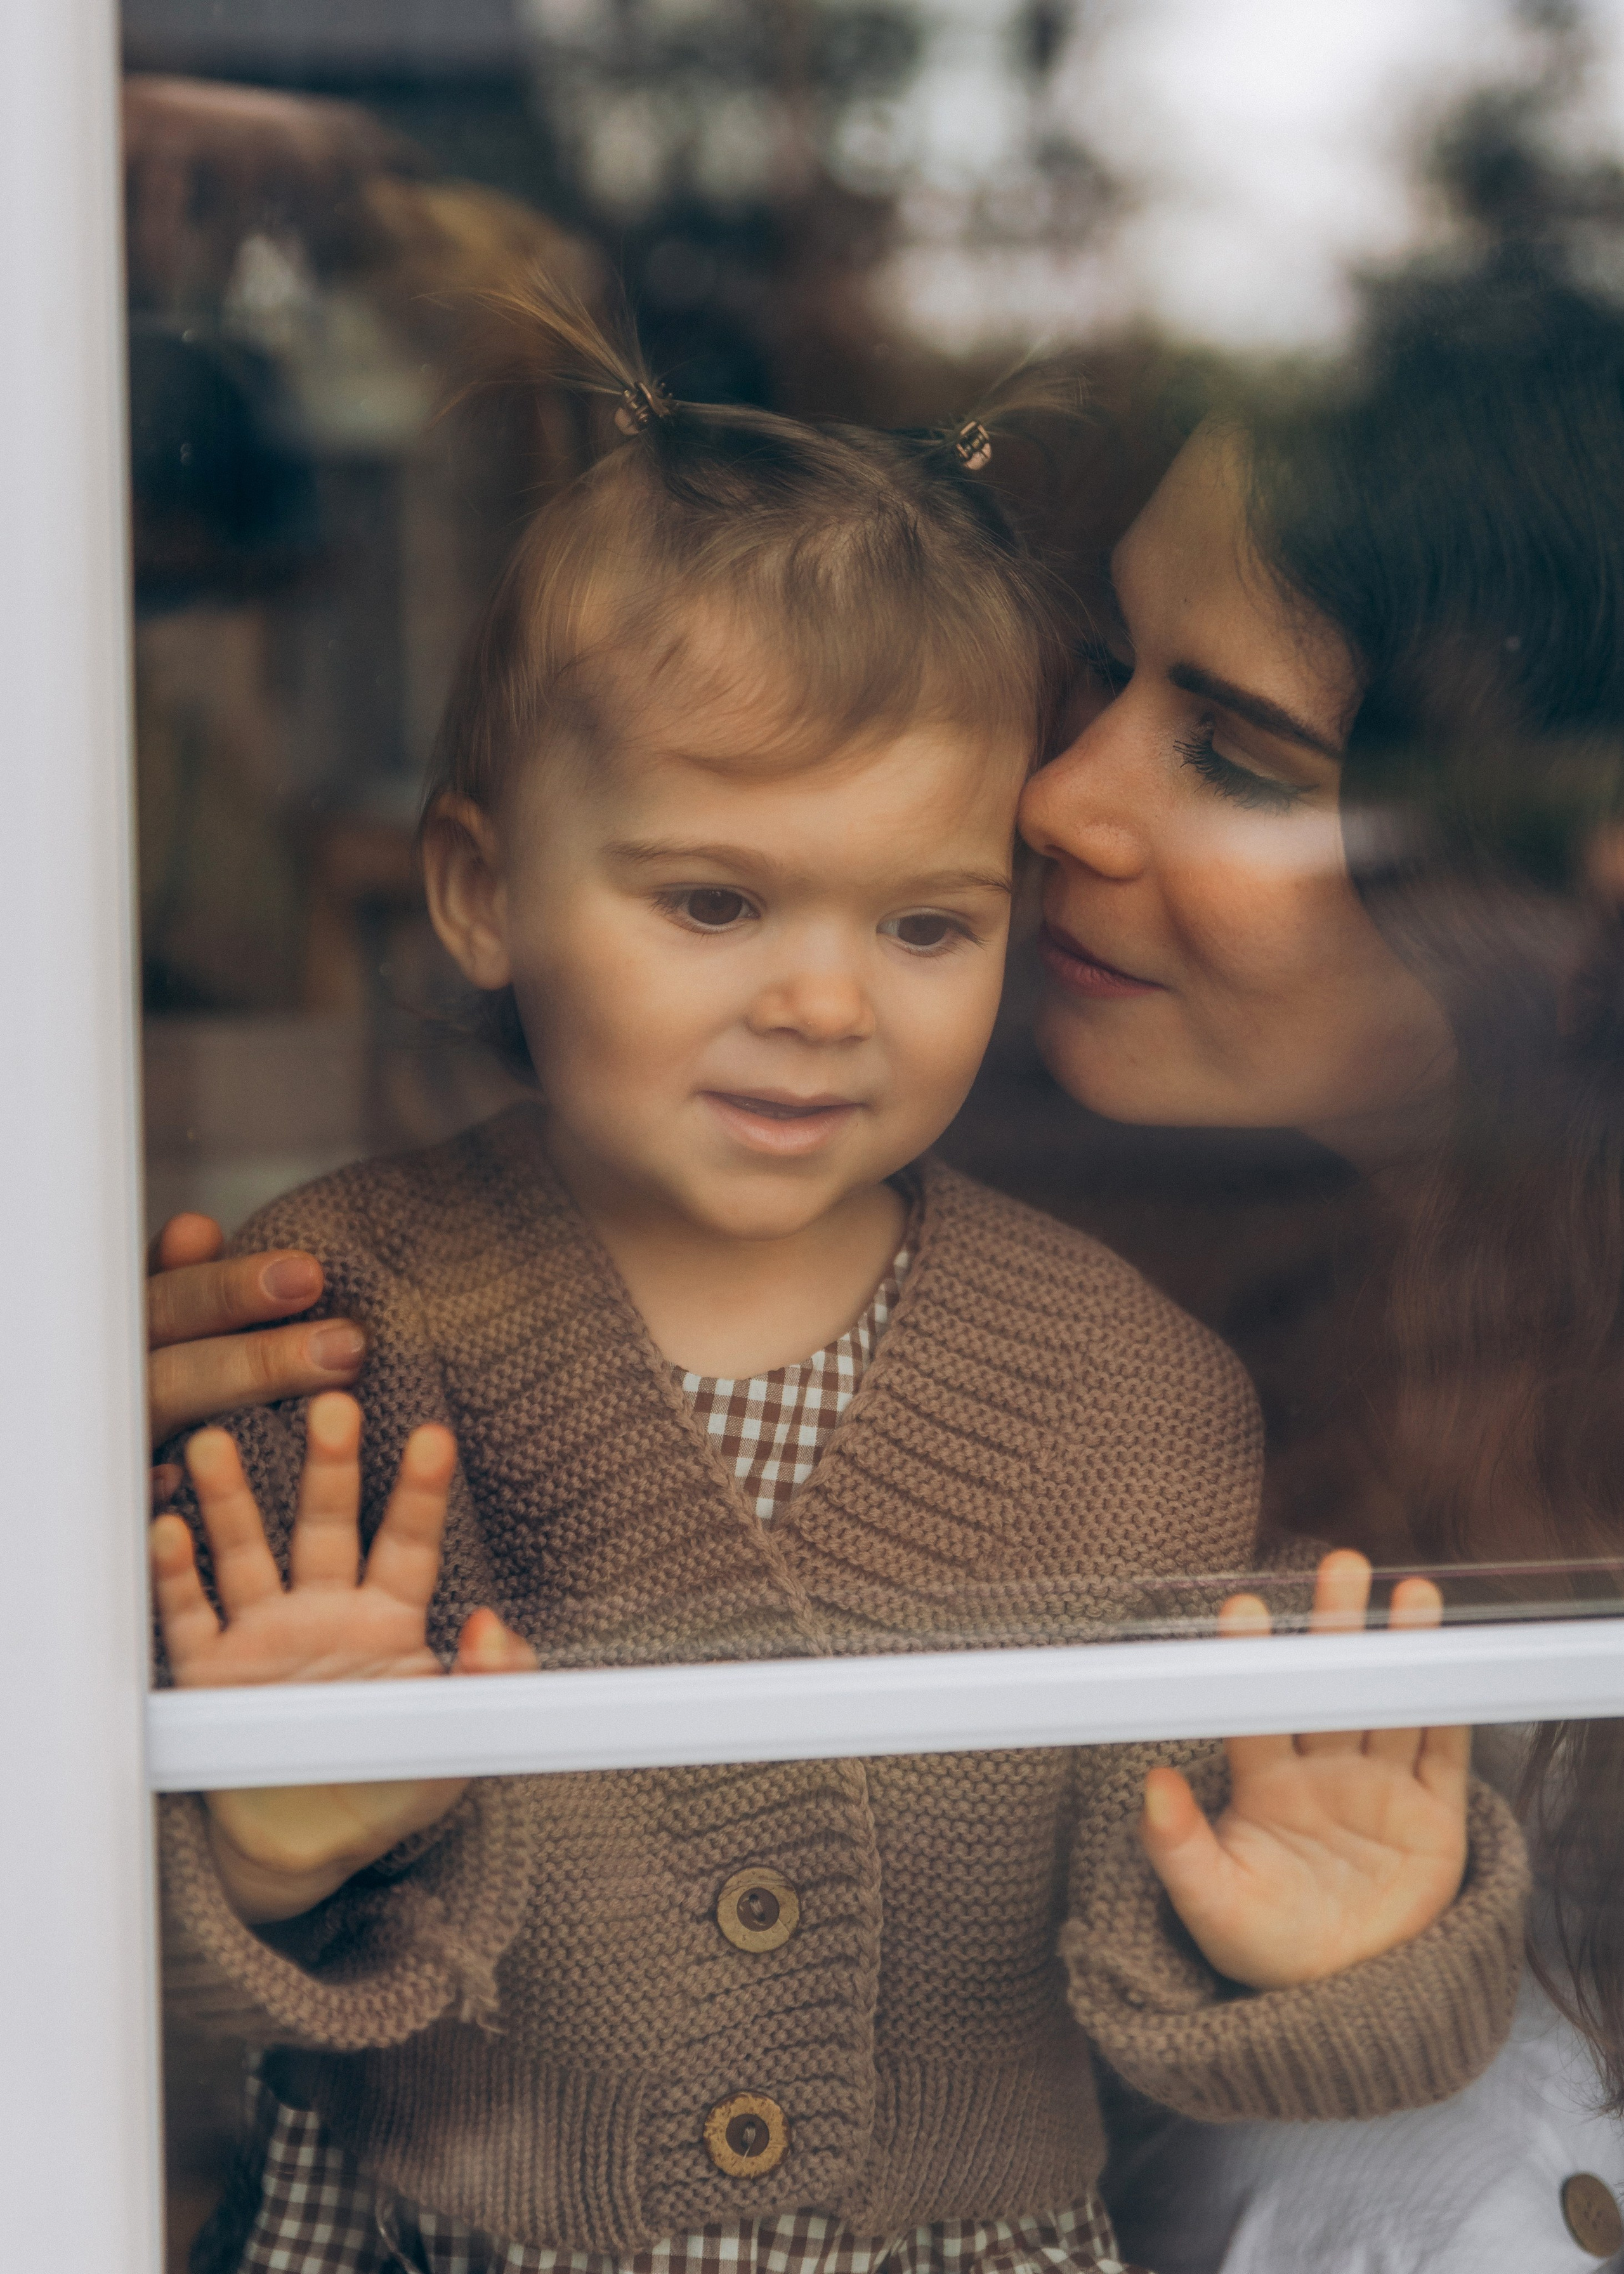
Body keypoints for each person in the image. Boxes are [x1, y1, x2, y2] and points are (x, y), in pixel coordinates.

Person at [149, 284, 1526, 2274]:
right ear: (480, 894)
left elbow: (1164, 1965)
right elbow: (142, 1999)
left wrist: (1313, 1953)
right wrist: (263, 1860)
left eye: (927, 922)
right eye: (713, 900)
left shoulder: (1131, 1392)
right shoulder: (332, 1324)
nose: (820, 1000)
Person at [1014, 270, 1624, 2268]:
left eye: (1248, 758)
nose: (1060, 798)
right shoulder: (1067, 1253)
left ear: (1572, 883)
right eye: (1104, 673)